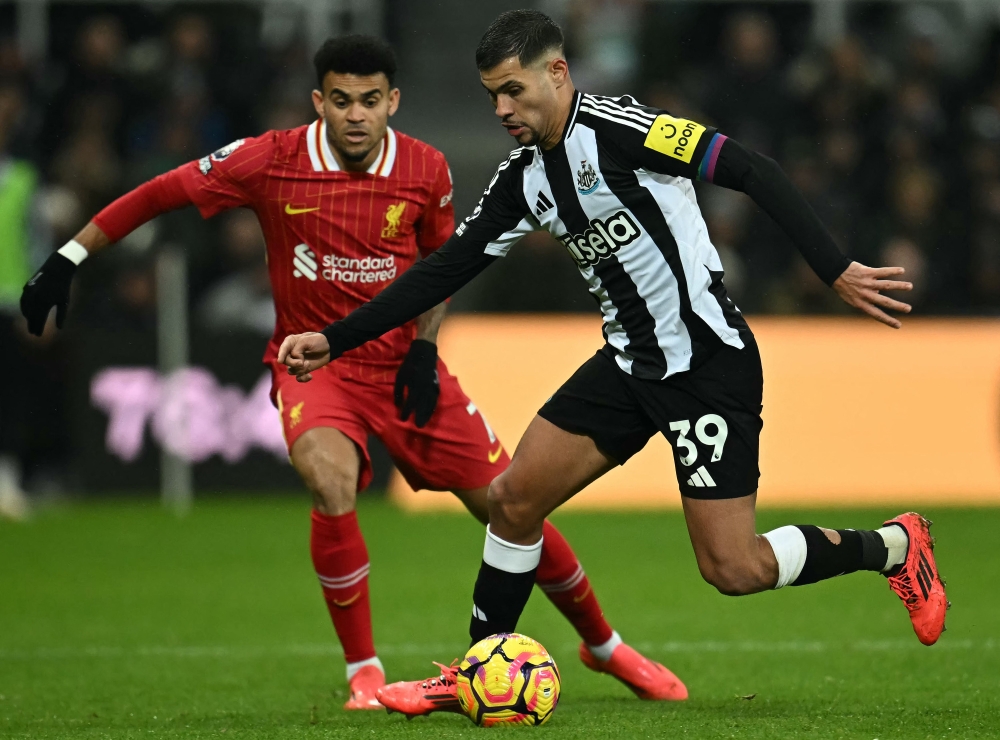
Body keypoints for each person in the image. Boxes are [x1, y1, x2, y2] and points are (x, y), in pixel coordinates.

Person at [274, 11, 950, 716]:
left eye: (513, 90)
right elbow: (442, 270)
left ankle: (893, 546)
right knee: (512, 500)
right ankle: (476, 670)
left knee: (734, 567)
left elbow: (753, 169)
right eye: (492, 95)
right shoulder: (523, 179)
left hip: (706, 365)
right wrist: (336, 338)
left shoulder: (626, 130)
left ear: (557, 73)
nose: (502, 109)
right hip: (628, 366)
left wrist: (833, 269)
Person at [19, 35, 684, 711]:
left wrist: (424, 350)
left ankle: (604, 645)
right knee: (330, 480)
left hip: (402, 367)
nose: (356, 115)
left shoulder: (425, 169)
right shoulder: (271, 159)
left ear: (393, 101)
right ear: (320, 102)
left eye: (370, 101)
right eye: (341, 101)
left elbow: (441, 269)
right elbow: (162, 192)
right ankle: (364, 670)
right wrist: (68, 257)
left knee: (513, 503)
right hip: (315, 365)